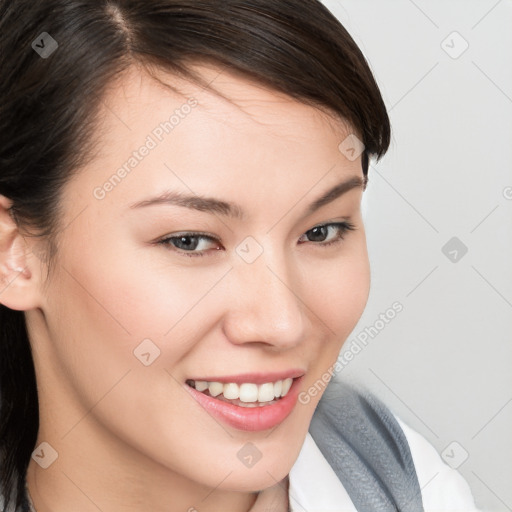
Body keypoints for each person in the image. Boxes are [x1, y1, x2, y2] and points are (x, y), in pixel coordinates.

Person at [0, 1, 480, 511]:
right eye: (191, 240)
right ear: (15, 254)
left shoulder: (418, 492)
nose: (282, 323)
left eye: (321, 231)